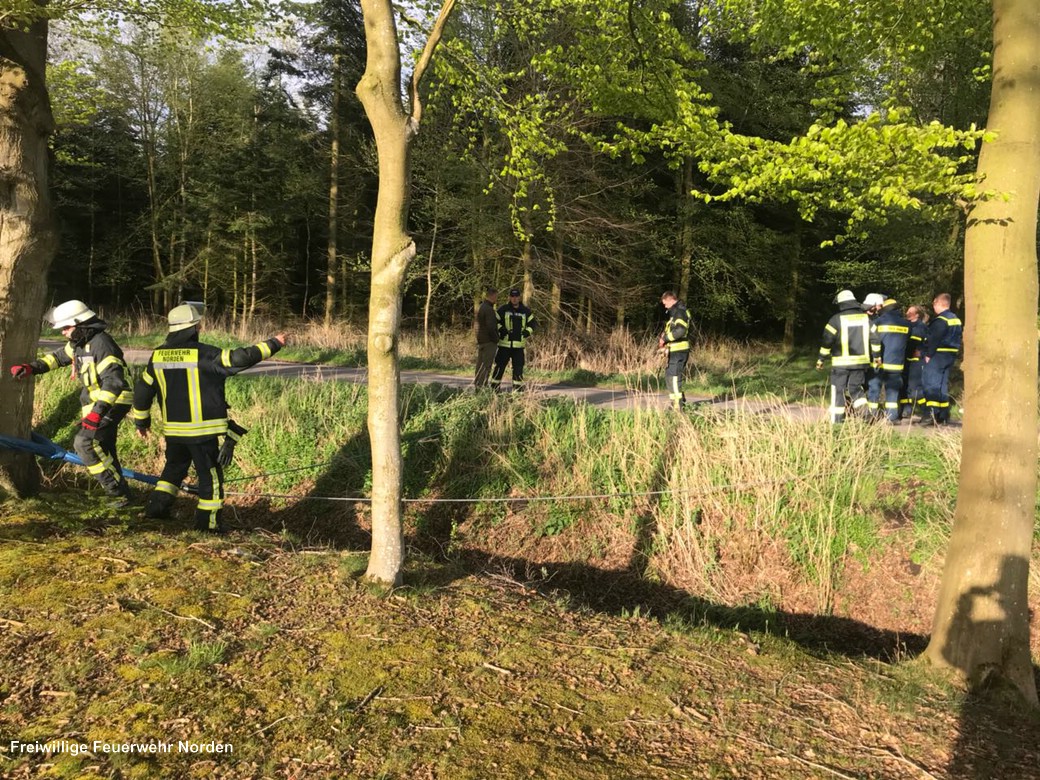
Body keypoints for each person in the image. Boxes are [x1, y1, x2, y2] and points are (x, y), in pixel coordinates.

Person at [132, 304, 286, 532]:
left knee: (172, 471)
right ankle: (209, 526)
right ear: (195, 327)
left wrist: (141, 422)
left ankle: (156, 510)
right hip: (202, 433)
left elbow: (143, 390)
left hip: (174, 432)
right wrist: (274, 343)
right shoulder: (204, 354)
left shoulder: (158, 356)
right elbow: (239, 358)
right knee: (210, 478)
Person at [9, 300, 134, 505]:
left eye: (66, 328)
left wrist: (97, 414)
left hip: (113, 401)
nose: (63, 332)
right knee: (103, 448)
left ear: (81, 323)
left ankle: (116, 493)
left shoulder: (101, 344)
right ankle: (123, 496)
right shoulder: (79, 343)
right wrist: (31, 368)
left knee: (84, 443)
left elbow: (114, 382)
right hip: (96, 405)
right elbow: (57, 358)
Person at [816, 290, 875, 424]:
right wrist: (876, 356)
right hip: (860, 364)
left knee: (838, 391)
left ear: (841, 304)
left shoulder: (835, 319)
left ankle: (837, 422)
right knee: (855, 389)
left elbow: (827, 341)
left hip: (840, 365)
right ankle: (866, 414)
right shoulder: (865, 318)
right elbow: (875, 338)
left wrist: (821, 358)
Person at [921, 293, 962, 425]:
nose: (933, 308)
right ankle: (943, 414)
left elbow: (934, 339)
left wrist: (928, 354)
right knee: (942, 385)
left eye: (934, 304)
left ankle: (930, 415)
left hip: (938, 355)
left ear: (939, 303)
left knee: (931, 384)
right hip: (950, 356)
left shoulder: (941, 320)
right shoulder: (955, 318)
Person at [868, 298, 910, 424]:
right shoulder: (906, 324)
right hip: (896, 365)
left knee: (874, 390)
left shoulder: (877, 322)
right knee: (892, 392)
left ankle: (871, 417)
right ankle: (892, 417)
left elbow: (871, 340)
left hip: (878, 363)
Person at [490, 288, 536, 392]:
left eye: (516, 297)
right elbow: (494, 321)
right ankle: (494, 389)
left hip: (518, 347)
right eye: (512, 297)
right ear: (509, 297)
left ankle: (518, 390)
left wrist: (526, 332)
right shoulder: (503, 309)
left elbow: (533, 324)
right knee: (499, 367)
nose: (514, 299)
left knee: (518, 369)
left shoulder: (526, 311)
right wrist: (501, 329)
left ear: (519, 297)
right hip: (504, 345)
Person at [658, 291, 691, 410]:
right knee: (669, 377)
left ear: (671, 300)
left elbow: (680, 330)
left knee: (674, 378)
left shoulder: (679, 312)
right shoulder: (676, 312)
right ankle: (676, 403)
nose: (665, 306)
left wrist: (665, 338)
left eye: (665, 304)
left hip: (679, 350)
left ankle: (678, 407)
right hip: (674, 350)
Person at [900, 304, 929, 418]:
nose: (907, 313)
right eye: (907, 311)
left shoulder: (922, 327)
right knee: (903, 386)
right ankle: (906, 410)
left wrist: (922, 353)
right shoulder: (904, 325)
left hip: (916, 362)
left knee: (915, 389)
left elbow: (928, 344)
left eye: (911, 312)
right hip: (904, 360)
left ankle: (927, 411)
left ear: (917, 315)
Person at [474, 286, 499, 389]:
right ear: (492, 296)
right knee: (486, 366)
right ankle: (483, 387)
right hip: (489, 342)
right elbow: (491, 327)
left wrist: (479, 338)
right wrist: (496, 339)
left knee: (480, 365)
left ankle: (478, 386)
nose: (496, 299)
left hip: (481, 341)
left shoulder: (481, 307)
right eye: (496, 296)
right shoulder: (489, 310)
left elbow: (476, 325)